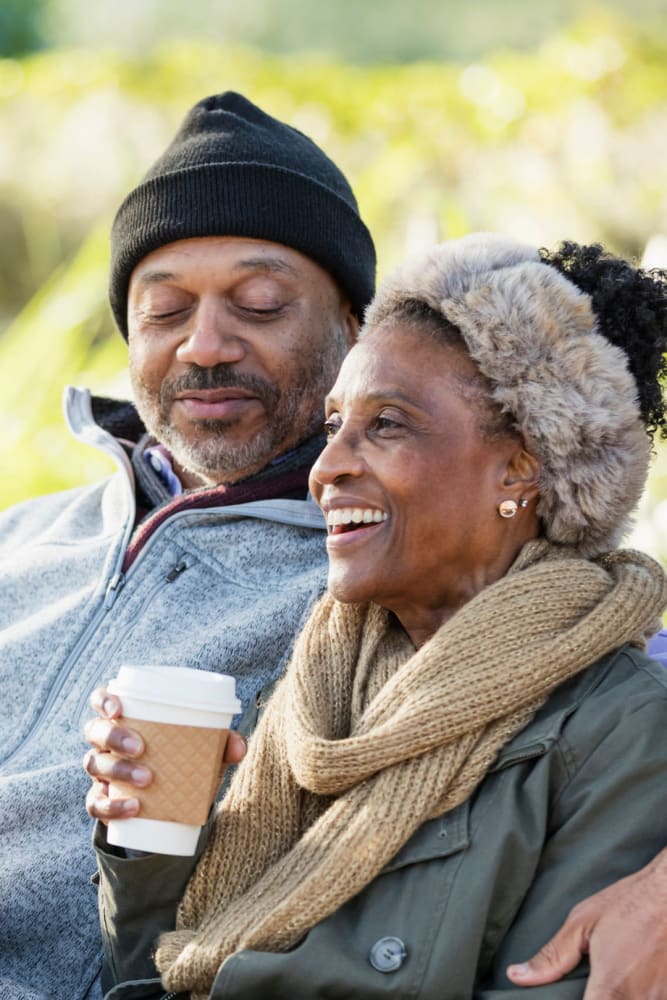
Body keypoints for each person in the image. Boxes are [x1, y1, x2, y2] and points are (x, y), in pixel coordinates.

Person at [88, 234, 667, 999]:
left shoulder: (614, 726)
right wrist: (149, 834)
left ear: (522, 466)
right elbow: (152, 968)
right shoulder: (319, 682)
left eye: (386, 424)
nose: (328, 468)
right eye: (333, 427)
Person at [0, 90, 375, 999]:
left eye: (260, 304)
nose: (205, 346)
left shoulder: (371, 581)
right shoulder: (23, 535)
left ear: (354, 332)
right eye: (164, 310)